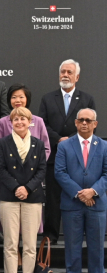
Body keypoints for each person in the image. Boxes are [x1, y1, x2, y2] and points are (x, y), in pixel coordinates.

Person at [38, 59, 95, 242]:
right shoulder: (48, 98)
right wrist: (58, 139)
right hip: (53, 156)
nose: (65, 75)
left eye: (69, 72)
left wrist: (69, 140)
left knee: (77, 195)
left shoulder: (86, 99)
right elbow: (42, 124)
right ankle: (51, 235)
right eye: (63, 72)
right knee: (52, 198)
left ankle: (76, 236)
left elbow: (90, 125)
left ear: (77, 77)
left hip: (78, 156)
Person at [54, 109, 107, 273]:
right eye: (81, 120)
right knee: (72, 246)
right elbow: (60, 172)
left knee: (97, 247)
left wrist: (93, 191)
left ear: (95, 124)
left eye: (88, 120)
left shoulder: (104, 146)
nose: (84, 123)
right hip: (72, 204)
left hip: (97, 205)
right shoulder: (64, 146)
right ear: (76, 123)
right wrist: (80, 194)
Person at [0, 106, 45, 273]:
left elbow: (42, 170)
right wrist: (16, 187)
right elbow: (0, 169)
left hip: (33, 197)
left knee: (30, 244)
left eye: (23, 119)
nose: (20, 122)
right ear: (11, 123)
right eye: (16, 119)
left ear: (30, 122)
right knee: (11, 243)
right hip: (9, 197)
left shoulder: (38, 144)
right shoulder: (3, 143)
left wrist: (27, 188)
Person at [0, 85, 51, 160]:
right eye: (14, 97)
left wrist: (38, 163)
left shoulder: (38, 121)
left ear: (27, 99)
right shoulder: (2, 122)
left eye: (21, 97)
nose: (17, 100)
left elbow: (46, 148)